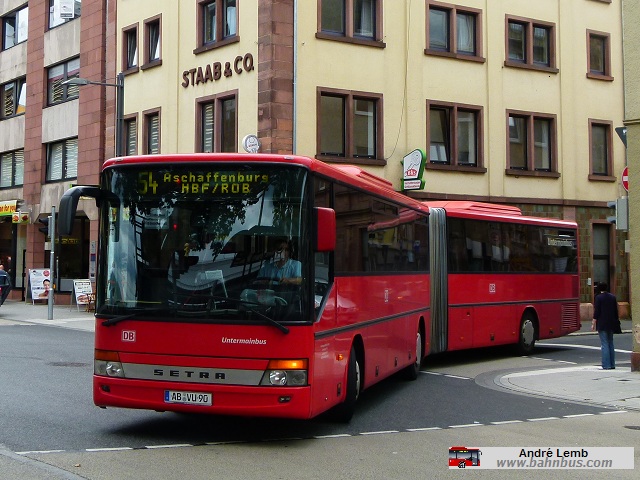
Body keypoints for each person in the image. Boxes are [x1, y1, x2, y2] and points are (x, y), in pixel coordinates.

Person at [591, 282, 620, 369]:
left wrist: (593, 322)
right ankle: (612, 364)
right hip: (611, 322)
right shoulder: (612, 297)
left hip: (602, 323)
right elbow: (616, 311)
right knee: (610, 342)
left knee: (604, 344)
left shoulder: (598, 298)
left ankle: (606, 365)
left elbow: (597, 311)